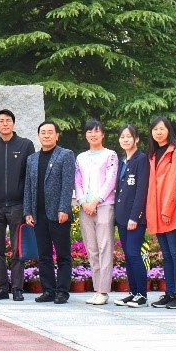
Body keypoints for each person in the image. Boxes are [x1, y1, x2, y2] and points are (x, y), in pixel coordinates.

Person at [0, 108, 35, 301]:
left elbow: (30, 178)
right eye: (1, 121)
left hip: (17, 206)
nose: (5, 124)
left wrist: (28, 207)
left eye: (8, 120)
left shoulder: (25, 145)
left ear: (13, 123)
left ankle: (17, 288)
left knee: (17, 248)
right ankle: (2, 288)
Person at [24, 121, 76, 304]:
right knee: (44, 255)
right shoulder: (32, 159)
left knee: (63, 255)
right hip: (38, 215)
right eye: (43, 132)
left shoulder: (65, 155)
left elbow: (68, 184)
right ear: (39, 135)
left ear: (57, 135)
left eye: (50, 132)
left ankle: (62, 291)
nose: (46, 135)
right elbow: (28, 187)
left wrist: (64, 208)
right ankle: (48, 290)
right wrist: (28, 211)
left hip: (58, 214)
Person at [75, 119, 119, 305]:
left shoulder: (110, 155)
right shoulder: (81, 157)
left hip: (104, 206)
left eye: (97, 131)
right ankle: (96, 289)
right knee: (92, 249)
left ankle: (104, 291)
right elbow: (77, 181)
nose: (93, 134)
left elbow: (111, 180)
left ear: (103, 134)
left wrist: (96, 201)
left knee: (104, 248)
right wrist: (83, 202)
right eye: (89, 131)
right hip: (85, 208)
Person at [145, 117, 176, 309]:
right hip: (157, 212)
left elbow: (174, 182)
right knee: (167, 255)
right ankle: (170, 293)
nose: (158, 132)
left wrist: (167, 209)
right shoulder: (153, 154)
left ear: (169, 130)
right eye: (155, 129)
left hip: (172, 211)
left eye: (162, 129)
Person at [113, 125, 149, 308]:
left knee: (134, 254)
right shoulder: (122, 160)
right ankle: (133, 292)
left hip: (135, 218)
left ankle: (142, 295)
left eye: (129, 136)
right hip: (122, 216)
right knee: (128, 255)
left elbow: (141, 190)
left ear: (137, 139)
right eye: (122, 137)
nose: (125, 139)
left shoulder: (141, 159)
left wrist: (135, 217)